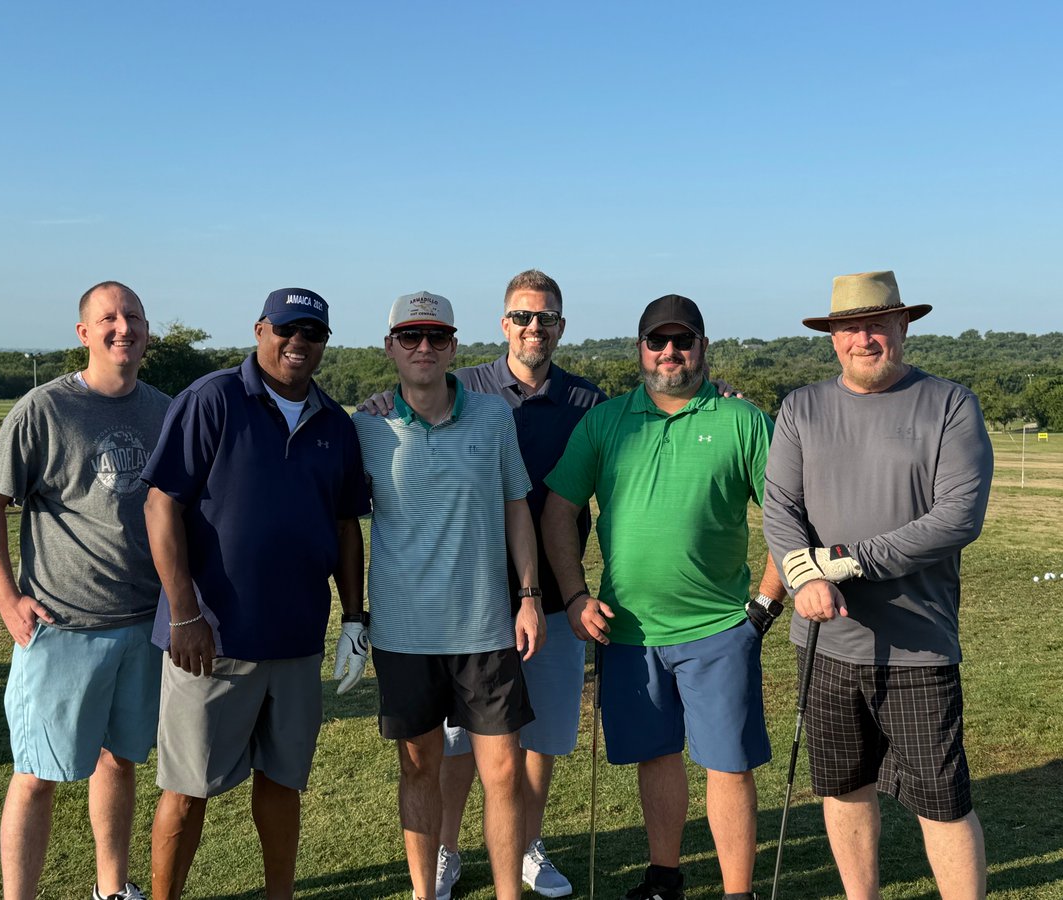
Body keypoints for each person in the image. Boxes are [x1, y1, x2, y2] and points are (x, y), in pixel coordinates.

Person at [361, 270, 604, 898]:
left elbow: (517, 506)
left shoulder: (569, 403)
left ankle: (522, 860)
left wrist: (528, 594)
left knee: (527, 752)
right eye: (409, 337)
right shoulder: (375, 420)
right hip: (411, 629)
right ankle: (439, 862)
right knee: (433, 762)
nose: (423, 348)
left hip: (506, 615)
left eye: (435, 337)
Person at [541, 294, 785, 900]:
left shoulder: (742, 420)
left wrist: (764, 605)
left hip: (721, 626)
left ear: (703, 347)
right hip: (628, 631)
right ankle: (664, 876)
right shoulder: (604, 421)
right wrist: (574, 595)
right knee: (657, 755)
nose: (670, 352)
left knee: (727, 764)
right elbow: (557, 512)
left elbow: (789, 516)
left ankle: (738, 892)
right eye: (658, 341)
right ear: (641, 349)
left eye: (683, 340)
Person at [762, 270, 993, 900]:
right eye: (847, 327)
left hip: (918, 645)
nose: (861, 338)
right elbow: (780, 510)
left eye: (874, 324)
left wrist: (843, 562)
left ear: (902, 326)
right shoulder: (801, 407)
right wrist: (803, 574)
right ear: (832, 338)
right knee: (843, 788)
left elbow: (955, 519)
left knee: (942, 802)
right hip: (824, 645)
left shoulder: (950, 404)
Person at [142, 287, 369, 900]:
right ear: (261, 329)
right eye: (287, 329)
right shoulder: (212, 398)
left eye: (313, 334)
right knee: (187, 790)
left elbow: (347, 525)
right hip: (211, 639)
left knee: (283, 780)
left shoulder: (335, 423)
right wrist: (186, 613)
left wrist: (355, 618)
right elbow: (161, 506)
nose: (299, 343)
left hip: (296, 640)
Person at [0, 281, 170, 900]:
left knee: (120, 761)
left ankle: (112, 889)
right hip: (61, 628)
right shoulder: (44, 408)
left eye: (132, 316)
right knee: (36, 775)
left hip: (143, 623)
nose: (122, 327)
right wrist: (8, 600)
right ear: (83, 333)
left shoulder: (164, 409)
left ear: (147, 332)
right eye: (107, 318)